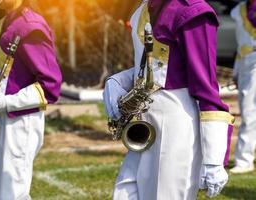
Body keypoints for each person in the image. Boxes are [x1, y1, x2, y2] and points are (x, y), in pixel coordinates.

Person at [103, 0, 234, 199]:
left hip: (176, 125)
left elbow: (206, 87)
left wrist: (213, 159)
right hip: (144, 118)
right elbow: (151, 67)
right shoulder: (145, 7)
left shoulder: (193, 12)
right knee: (125, 193)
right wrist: (118, 81)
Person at [0, 0, 62, 199]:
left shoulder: (31, 26)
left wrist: (5, 103)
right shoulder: (3, 22)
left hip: (18, 124)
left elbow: (51, 86)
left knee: (11, 195)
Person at [230, 0, 256, 174]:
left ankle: (245, 159)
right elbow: (241, 45)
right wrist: (236, 71)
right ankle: (245, 160)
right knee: (248, 112)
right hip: (247, 63)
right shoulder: (239, 10)